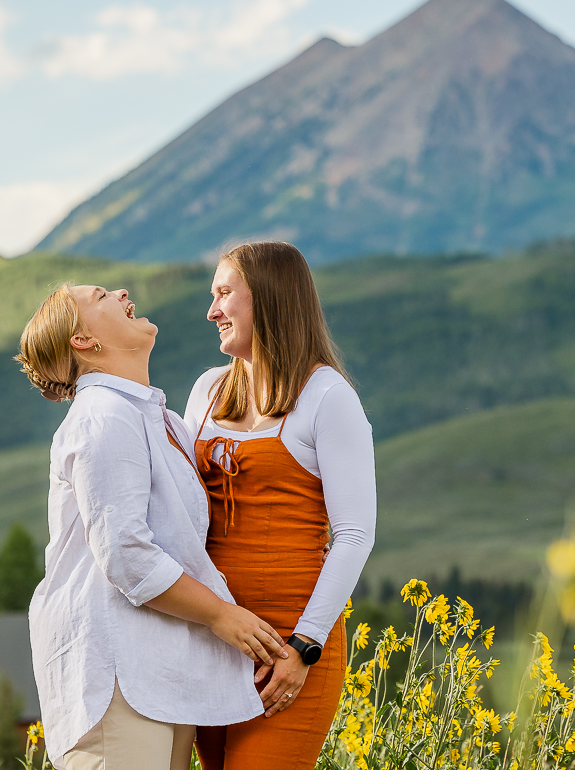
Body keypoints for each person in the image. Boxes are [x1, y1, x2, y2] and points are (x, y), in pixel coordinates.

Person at [16, 283, 287, 770]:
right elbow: (126, 553)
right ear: (83, 340)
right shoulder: (103, 415)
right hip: (115, 676)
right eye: (100, 297)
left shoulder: (160, 419)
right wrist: (224, 616)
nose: (120, 292)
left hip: (158, 672)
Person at [184, 241, 376, 770]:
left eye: (224, 293)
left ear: (267, 299)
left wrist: (304, 647)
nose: (212, 311)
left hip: (288, 653)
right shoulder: (206, 390)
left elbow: (355, 535)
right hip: (212, 641)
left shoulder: (327, 396)